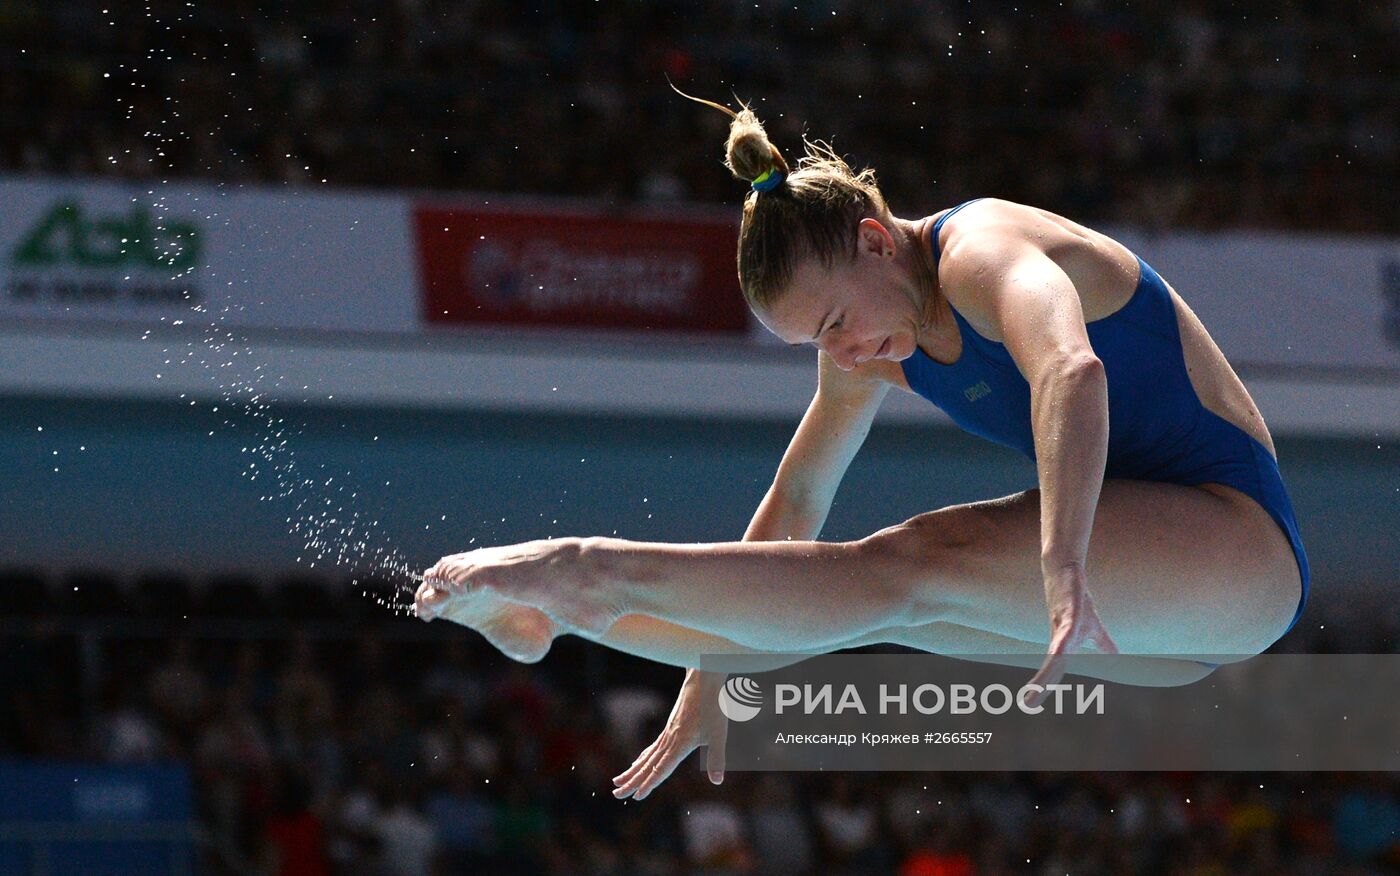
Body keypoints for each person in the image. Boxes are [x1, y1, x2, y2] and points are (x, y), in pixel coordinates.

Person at [414, 89, 1309, 801]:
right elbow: (798, 501)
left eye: (838, 321)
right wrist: (713, 670)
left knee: (917, 561)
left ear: (877, 242)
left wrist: (1065, 569)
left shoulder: (985, 252)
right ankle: (564, 614)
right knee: (889, 605)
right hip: (1168, 634)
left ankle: (581, 566)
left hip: (1238, 552)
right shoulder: (874, 344)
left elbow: (1073, 373)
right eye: (816, 343)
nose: (840, 354)